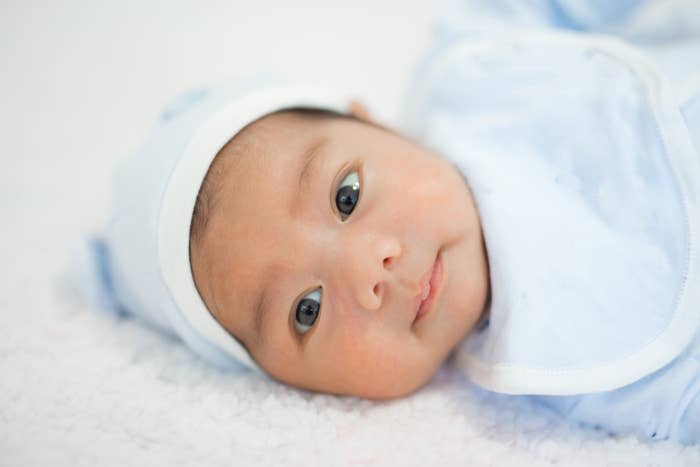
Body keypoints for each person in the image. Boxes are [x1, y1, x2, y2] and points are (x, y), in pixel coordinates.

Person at [75, 0, 700, 444]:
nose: (366, 272)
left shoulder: (473, 65)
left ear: (371, 120)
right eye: (306, 311)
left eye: (346, 196)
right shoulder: (577, 371)